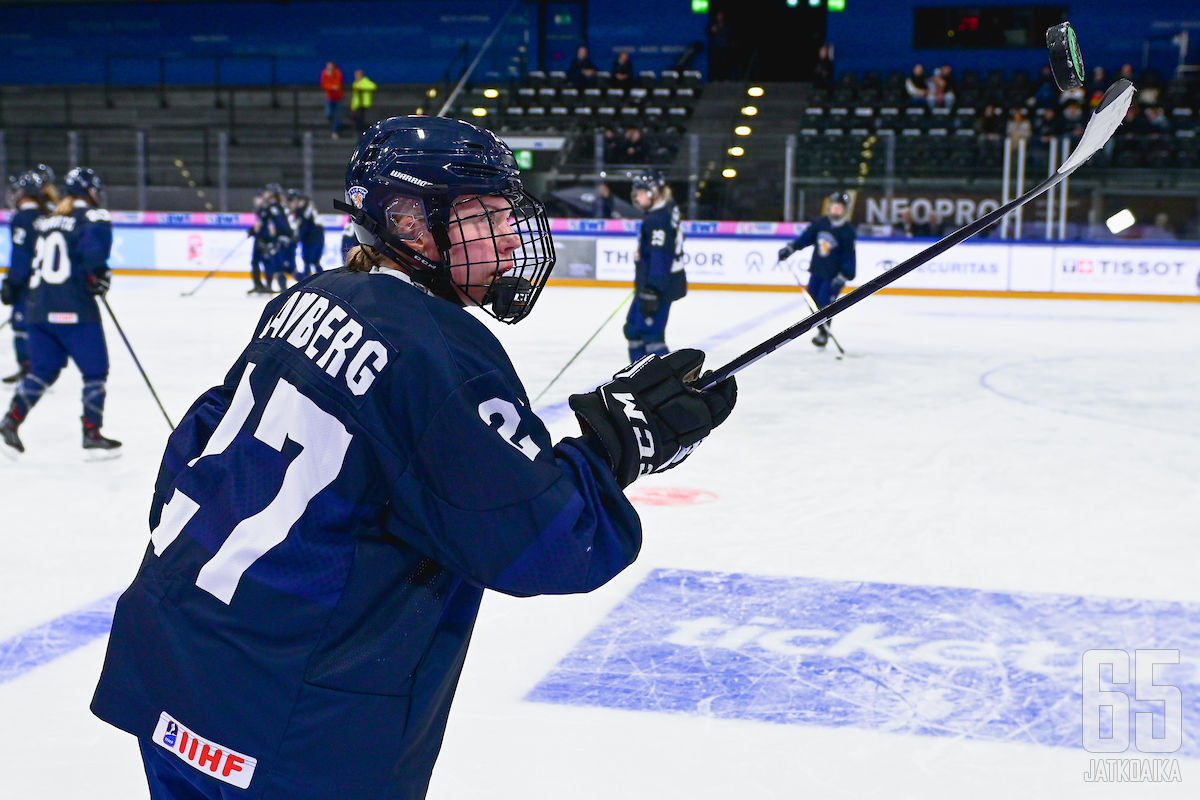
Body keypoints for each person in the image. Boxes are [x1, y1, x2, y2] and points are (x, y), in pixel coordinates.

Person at [89, 115, 736, 800]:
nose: (512, 234)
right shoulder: (441, 349)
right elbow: (546, 543)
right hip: (295, 731)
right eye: (488, 215)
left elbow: (192, 447)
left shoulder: (304, 298)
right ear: (412, 224)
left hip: (171, 663)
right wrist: (614, 446)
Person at [0, 167, 120, 454]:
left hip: (39, 310)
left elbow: (25, 260)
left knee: (42, 371)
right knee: (95, 372)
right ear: (89, 191)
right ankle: (91, 432)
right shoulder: (92, 217)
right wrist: (97, 276)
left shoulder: (49, 221)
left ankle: (11, 420)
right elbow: (93, 257)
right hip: (75, 311)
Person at [777, 190, 856, 349]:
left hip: (833, 276)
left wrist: (845, 274)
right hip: (818, 271)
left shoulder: (847, 231)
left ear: (844, 210)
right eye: (833, 206)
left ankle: (823, 333)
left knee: (825, 304)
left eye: (839, 207)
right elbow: (806, 238)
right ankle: (822, 330)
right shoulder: (821, 223)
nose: (835, 209)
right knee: (813, 301)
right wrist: (791, 248)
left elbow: (849, 255)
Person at [624, 169, 687, 361]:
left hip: (658, 287)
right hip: (650, 285)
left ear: (653, 192)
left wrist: (652, 290)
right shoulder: (666, 208)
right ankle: (638, 379)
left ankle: (665, 385)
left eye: (641, 192)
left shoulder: (658, 219)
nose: (637, 197)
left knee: (651, 336)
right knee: (633, 329)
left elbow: (660, 258)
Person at [2, 172, 51, 385]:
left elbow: (20, 256)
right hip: (48, 282)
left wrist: (12, 282)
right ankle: (42, 366)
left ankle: (30, 369)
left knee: (21, 326)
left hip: (27, 284)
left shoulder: (22, 218)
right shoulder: (47, 216)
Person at [289, 191, 326, 277]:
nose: (290, 204)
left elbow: (303, 226)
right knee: (316, 262)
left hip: (310, 239)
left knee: (307, 261)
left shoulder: (302, 210)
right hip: (319, 237)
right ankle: (323, 281)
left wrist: (297, 239)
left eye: (292, 201)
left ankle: (306, 283)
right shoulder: (310, 206)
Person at [320, 61, 345, 139]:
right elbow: (324, 85)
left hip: (338, 97)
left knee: (337, 116)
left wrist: (332, 83)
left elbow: (338, 85)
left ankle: (335, 131)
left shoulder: (338, 73)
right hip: (329, 97)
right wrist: (331, 87)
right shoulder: (324, 73)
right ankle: (333, 126)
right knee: (329, 114)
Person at [350, 69, 378, 134]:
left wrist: (362, 87)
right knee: (358, 120)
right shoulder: (355, 83)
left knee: (364, 119)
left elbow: (373, 86)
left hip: (365, 104)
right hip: (358, 104)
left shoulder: (365, 81)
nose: (356, 77)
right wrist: (353, 107)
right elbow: (355, 96)